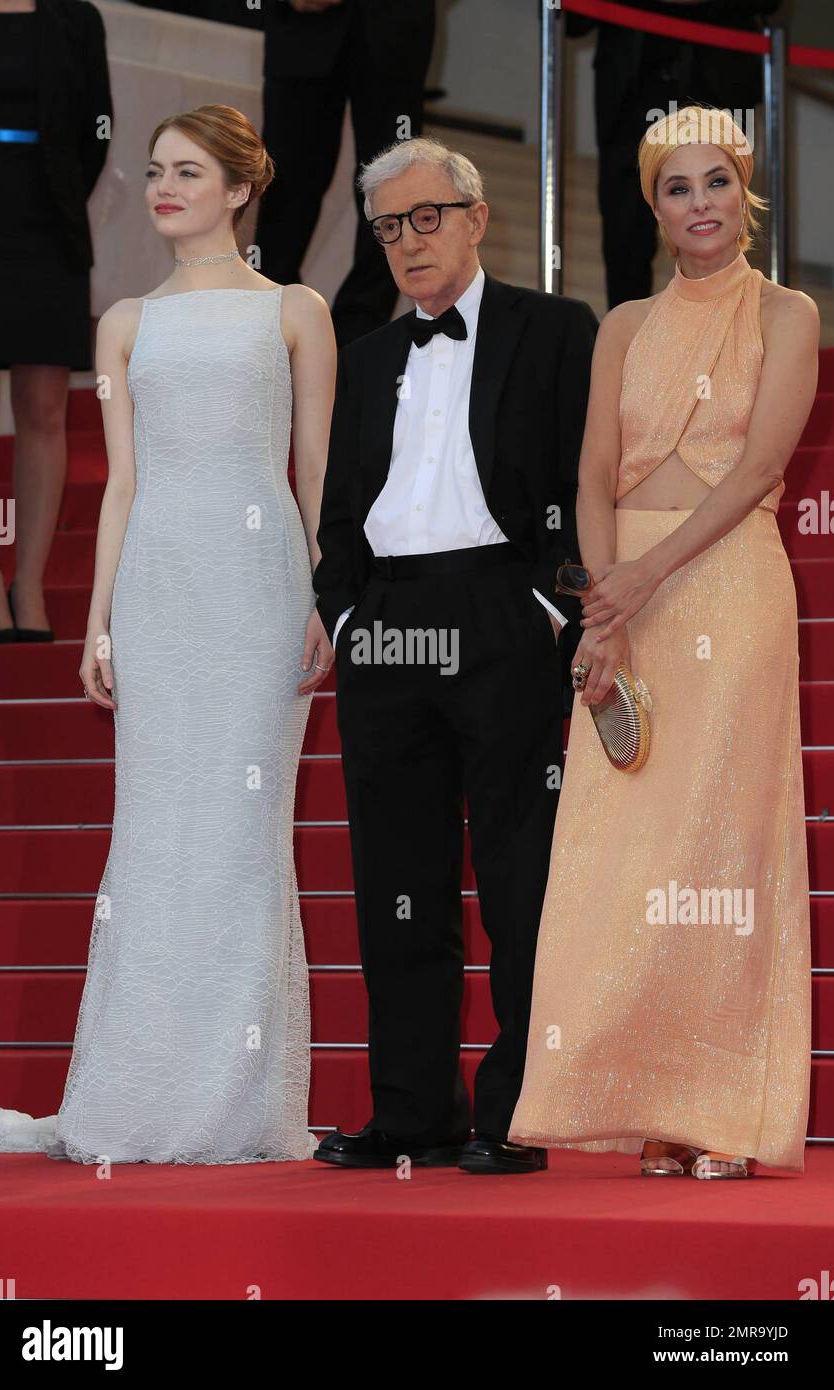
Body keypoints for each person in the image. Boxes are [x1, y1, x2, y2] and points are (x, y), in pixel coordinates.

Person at [0, 104, 336, 1162]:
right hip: (161, 595)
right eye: (155, 170)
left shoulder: (296, 311)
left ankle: (242, 1097)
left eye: (188, 171)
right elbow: (124, 485)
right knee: (156, 839)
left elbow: (316, 473)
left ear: (238, 189)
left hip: (260, 589)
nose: (164, 187)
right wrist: (96, 623)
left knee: (241, 839)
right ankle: (141, 1093)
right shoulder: (124, 321)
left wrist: (322, 591)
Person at [509, 105, 819, 1179]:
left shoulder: (784, 313)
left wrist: (641, 578)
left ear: (746, 192)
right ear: (652, 206)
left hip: (725, 587)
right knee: (625, 848)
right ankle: (648, 1096)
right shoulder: (624, 327)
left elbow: (753, 472)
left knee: (719, 847)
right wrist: (603, 598)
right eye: (676, 187)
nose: (700, 204)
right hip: (623, 599)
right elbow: (590, 474)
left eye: (716, 182)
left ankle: (721, 1109)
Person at [310, 137, 598, 1174]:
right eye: (388, 226)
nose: (406, 241)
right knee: (397, 876)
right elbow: (341, 510)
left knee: (515, 872)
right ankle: (411, 1111)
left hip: (500, 612)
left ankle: (510, 1112)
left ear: (477, 217)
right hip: (386, 622)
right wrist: (343, 616)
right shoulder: (368, 356)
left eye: (425, 217)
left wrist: (542, 606)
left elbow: (583, 478)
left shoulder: (558, 330)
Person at [0, 0, 112, 643]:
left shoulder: (77, 18)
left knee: (44, 413)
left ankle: (27, 580)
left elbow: (95, 131)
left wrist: (54, 194)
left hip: (48, 230)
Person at [565, 0, 780, 308]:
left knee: (721, 225)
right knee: (625, 237)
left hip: (719, 76)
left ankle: (729, 339)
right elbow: (573, 20)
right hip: (632, 87)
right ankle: (630, 345)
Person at [256, 0, 435, 346]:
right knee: (284, 180)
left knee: (392, 187)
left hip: (393, 24)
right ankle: (268, 321)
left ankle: (357, 339)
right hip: (300, 22)